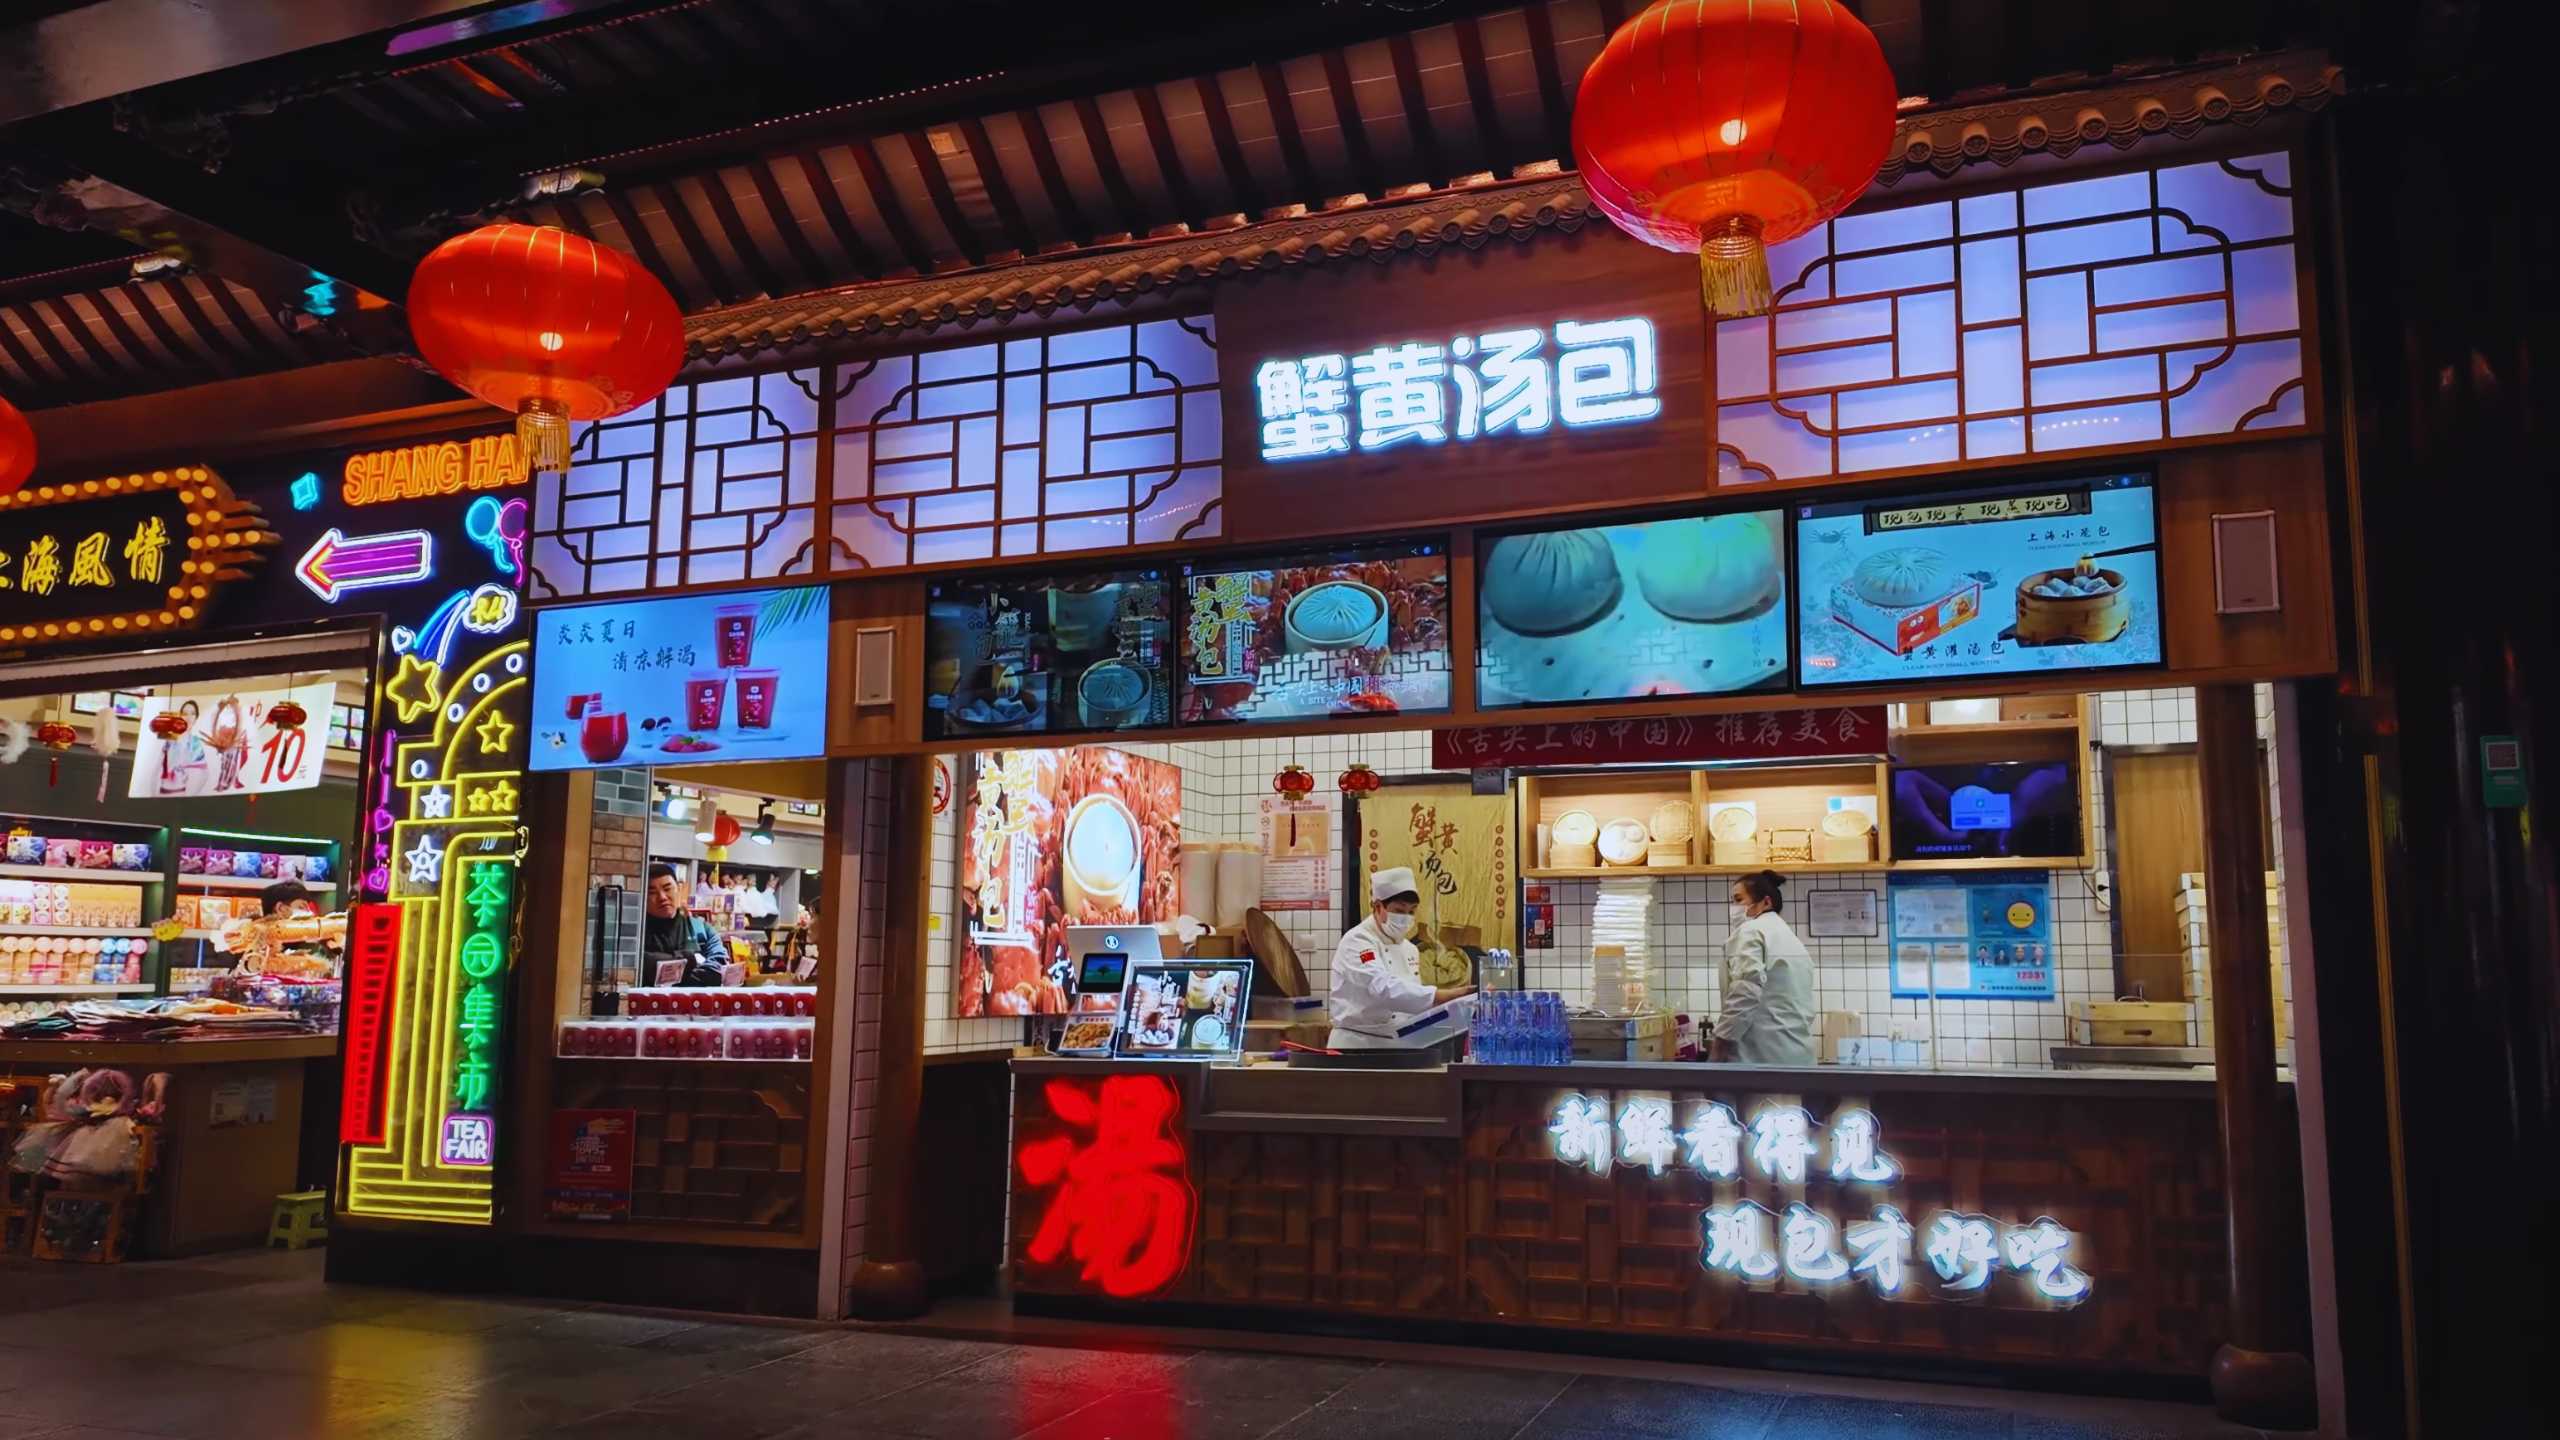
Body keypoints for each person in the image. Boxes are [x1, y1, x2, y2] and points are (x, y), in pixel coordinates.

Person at [1327, 866, 1474, 1050]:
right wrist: (1441, 994)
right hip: (1356, 1045)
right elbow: (1382, 987)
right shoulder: (1358, 941)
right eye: (1399, 910)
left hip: (1399, 1044)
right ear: (1378, 907)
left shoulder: (1410, 949)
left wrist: (1460, 1004)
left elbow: (1412, 1000)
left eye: (1411, 911)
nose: (1406, 918)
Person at [1712, 870, 1816, 1065]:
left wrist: (1719, 1046)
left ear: (1766, 902)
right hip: (1799, 1055)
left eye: (1738, 899)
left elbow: (1745, 991)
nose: (1734, 908)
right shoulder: (1791, 939)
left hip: (1762, 1057)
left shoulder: (1751, 931)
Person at [644, 863, 729, 987]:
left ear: (679, 889)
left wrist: (672, 967)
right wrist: (690, 958)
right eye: (652, 892)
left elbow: (717, 970)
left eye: (667, 889)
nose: (662, 897)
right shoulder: (636, 935)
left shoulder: (702, 930)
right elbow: (643, 965)